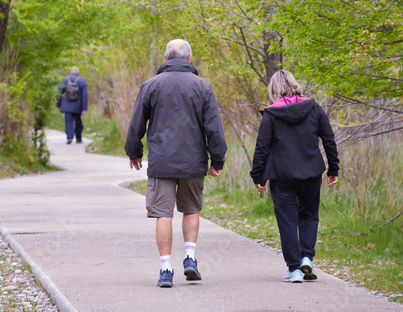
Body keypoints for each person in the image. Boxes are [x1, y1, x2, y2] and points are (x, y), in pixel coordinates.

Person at [125, 39, 227, 288]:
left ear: (166, 57)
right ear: (189, 58)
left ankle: (165, 269)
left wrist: (134, 152)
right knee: (191, 209)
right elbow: (214, 128)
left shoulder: (151, 85)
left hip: (162, 161)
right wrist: (217, 159)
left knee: (163, 213)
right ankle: (190, 258)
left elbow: (136, 124)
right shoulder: (202, 86)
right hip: (193, 160)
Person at [250, 70, 339, 283]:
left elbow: (262, 147)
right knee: (308, 215)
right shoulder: (314, 108)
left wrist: (258, 176)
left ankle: (294, 269)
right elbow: (329, 139)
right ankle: (307, 257)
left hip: (281, 175)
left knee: (287, 220)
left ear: (273, 90)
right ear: (295, 84)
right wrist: (333, 169)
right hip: (311, 173)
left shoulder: (271, 114)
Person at [56, 67, 88, 144]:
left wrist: (58, 105)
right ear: (78, 73)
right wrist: (84, 108)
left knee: (68, 122)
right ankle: (79, 138)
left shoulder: (64, 80)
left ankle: (69, 137)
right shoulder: (82, 81)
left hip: (66, 106)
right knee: (78, 122)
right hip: (77, 106)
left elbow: (58, 93)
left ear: (70, 72)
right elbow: (84, 95)